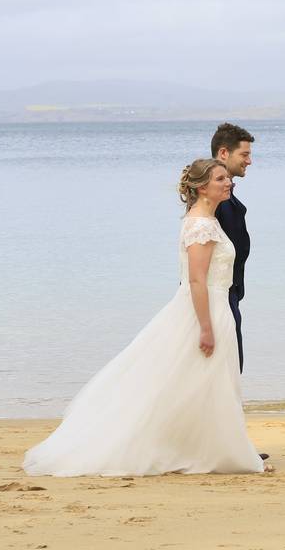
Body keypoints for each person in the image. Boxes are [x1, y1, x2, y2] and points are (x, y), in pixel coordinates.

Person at [22, 159, 265, 476]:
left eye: (226, 178)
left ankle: (211, 448)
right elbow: (195, 280)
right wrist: (205, 327)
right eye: (220, 179)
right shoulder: (201, 226)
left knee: (204, 385)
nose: (228, 182)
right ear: (202, 187)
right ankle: (209, 452)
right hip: (204, 311)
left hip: (215, 307)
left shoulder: (207, 219)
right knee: (191, 382)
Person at [210, 123, 255, 373]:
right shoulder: (212, 200)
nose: (249, 161)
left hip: (229, 293)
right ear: (224, 153)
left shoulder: (226, 196)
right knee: (226, 368)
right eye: (245, 155)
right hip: (219, 295)